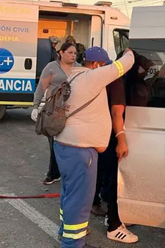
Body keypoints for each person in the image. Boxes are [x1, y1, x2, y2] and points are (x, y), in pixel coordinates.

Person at [54, 47, 134, 248]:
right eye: (104, 64)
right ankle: (72, 243)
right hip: (81, 150)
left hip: (63, 145)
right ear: (97, 65)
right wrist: (129, 52)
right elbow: (125, 64)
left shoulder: (73, 75)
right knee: (80, 201)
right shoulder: (93, 77)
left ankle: (65, 231)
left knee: (69, 193)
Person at [94, 72, 139, 243]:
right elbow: (116, 113)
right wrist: (121, 140)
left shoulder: (97, 77)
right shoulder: (117, 81)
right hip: (109, 138)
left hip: (100, 137)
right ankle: (114, 225)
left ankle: (112, 215)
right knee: (113, 179)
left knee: (106, 178)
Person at [32, 42, 79, 185]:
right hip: (54, 110)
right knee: (54, 143)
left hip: (72, 111)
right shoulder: (51, 67)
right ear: (61, 53)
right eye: (70, 52)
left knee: (70, 143)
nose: (73, 56)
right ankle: (53, 173)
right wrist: (35, 106)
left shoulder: (78, 68)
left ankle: (68, 172)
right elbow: (41, 87)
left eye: (75, 53)